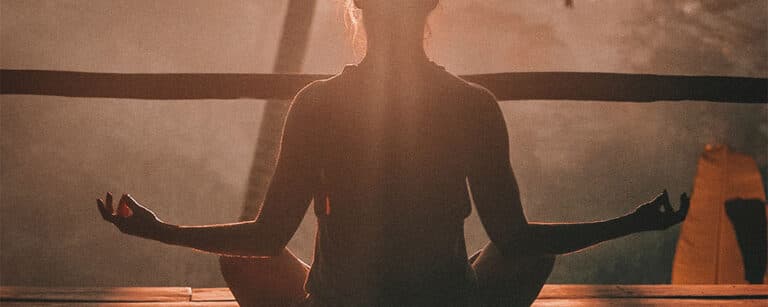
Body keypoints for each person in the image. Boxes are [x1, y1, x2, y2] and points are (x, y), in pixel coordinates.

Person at [96, 1, 690, 306]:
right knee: (529, 256)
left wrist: (159, 230)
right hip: (445, 304)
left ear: (358, 4)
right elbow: (515, 239)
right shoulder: (472, 105)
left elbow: (267, 236)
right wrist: (631, 223)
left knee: (241, 261)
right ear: (430, 4)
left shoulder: (317, 105)